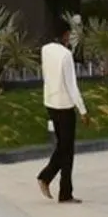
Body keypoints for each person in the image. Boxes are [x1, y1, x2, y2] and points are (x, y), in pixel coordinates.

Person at [36, 18, 89, 203]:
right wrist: (82, 110)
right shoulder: (65, 55)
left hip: (50, 102)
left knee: (63, 147)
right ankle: (49, 179)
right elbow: (71, 85)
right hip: (65, 106)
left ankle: (60, 188)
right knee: (67, 150)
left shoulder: (45, 50)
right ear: (65, 35)